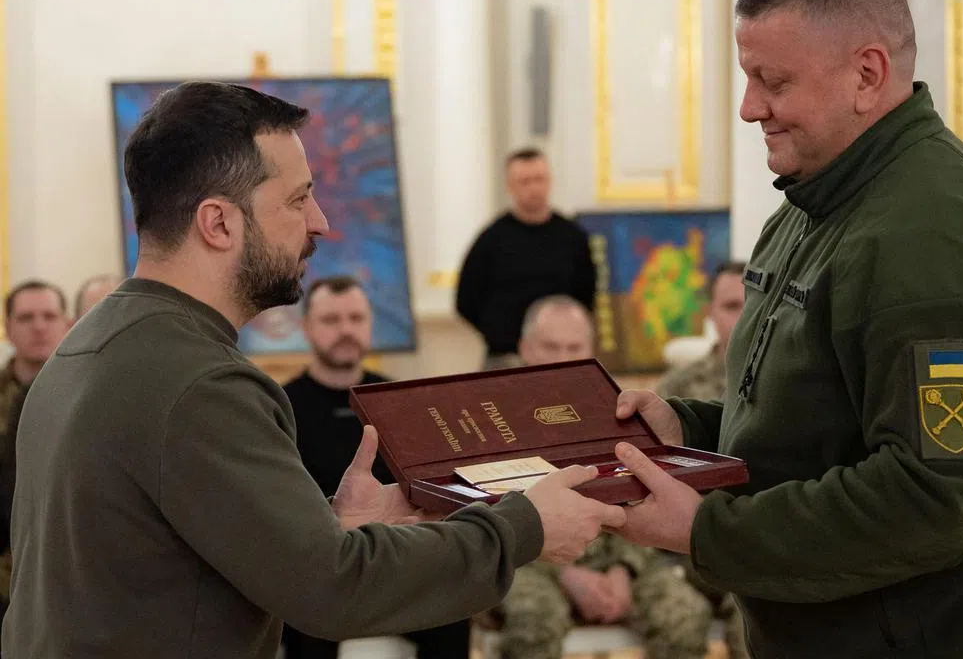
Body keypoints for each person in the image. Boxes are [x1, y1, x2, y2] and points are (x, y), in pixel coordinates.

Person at [3, 81, 625, 658]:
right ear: (219, 223)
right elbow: (335, 592)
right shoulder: (200, 383)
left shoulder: (88, 346)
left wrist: (329, 527)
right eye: (298, 200)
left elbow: (157, 557)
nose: (320, 222)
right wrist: (525, 525)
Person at [608, 0, 963, 659]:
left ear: (867, 75)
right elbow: (816, 426)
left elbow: (933, 497)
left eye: (770, 80)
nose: (751, 108)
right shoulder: (813, 208)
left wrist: (705, 532)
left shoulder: (936, 234)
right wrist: (680, 427)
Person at [494, 295, 714, 659]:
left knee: (685, 616)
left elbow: (639, 498)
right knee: (536, 621)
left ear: (590, 350)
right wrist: (566, 577)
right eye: (550, 347)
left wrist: (622, 570)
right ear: (525, 349)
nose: (563, 358)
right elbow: (488, 519)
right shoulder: (492, 419)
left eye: (574, 347)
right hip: (525, 562)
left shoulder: (616, 414)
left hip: (614, 554)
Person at [280, 274, 470, 659]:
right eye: (331, 321)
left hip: (395, 561)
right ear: (306, 329)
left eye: (355, 318)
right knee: (304, 612)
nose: (345, 330)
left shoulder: (398, 402)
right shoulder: (281, 407)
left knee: (454, 602)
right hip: (320, 567)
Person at [653, 261, 748, 659]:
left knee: (754, 627)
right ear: (709, 312)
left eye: (750, 304)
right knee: (677, 624)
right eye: (729, 306)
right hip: (683, 546)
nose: (741, 317)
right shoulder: (678, 389)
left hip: (752, 540)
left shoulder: (789, 386)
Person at [456, 148, 596, 369]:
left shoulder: (573, 237)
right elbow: (466, 300)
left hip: (562, 357)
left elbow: (586, 295)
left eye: (539, 179)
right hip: (505, 357)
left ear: (550, 182)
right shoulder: (491, 239)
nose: (533, 188)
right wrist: (499, 333)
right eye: (524, 181)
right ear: (509, 186)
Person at [0, 281, 70, 626]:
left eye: (48, 316)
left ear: (68, 324)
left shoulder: (92, 394)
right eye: (26, 318)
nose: (39, 326)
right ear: (8, 327)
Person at [655, 261, 747, 404]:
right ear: (710, 311)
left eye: (753, 307)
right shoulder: (677, 388)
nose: (744, 317)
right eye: (732, 306)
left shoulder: (785, 382)